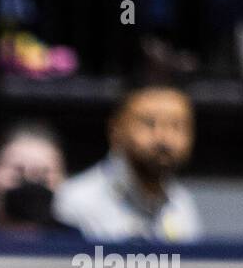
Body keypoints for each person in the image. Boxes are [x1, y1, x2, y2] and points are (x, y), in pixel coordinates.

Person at [54, 84, 202, 241]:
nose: (164, 138)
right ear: (115, 130)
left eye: (177, 126)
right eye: (149, 123)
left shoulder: (183, 204)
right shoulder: (76, 201)